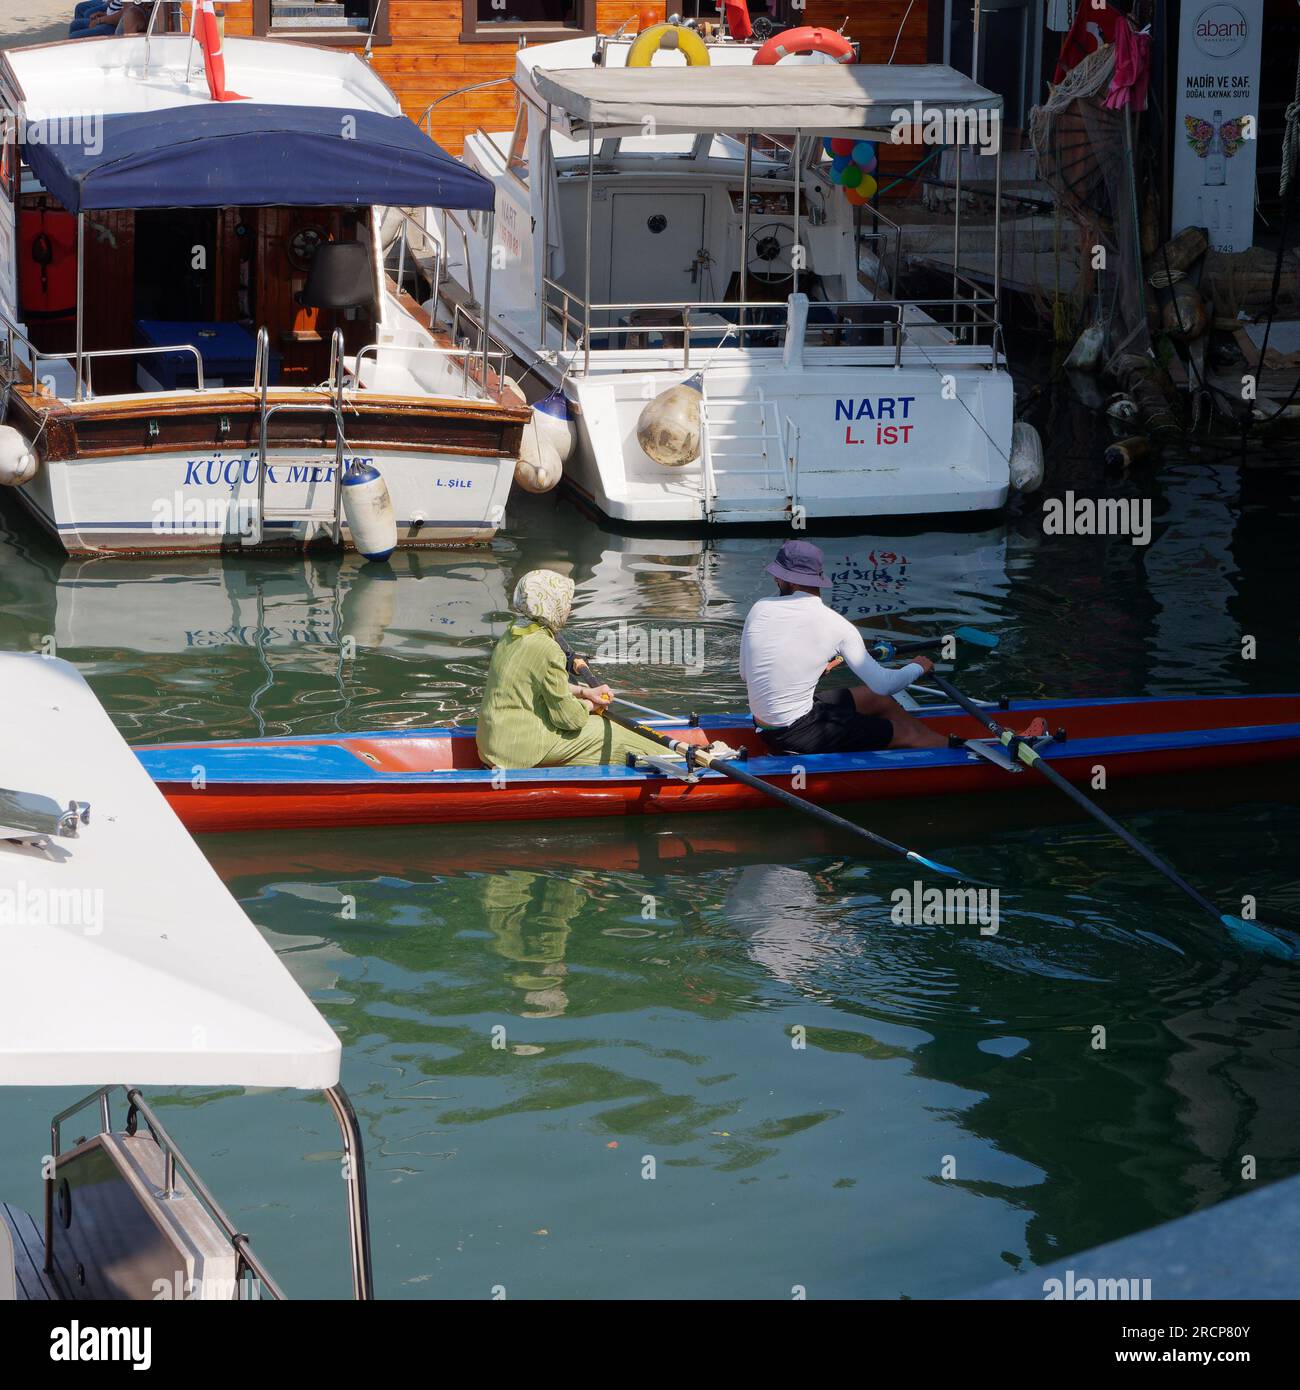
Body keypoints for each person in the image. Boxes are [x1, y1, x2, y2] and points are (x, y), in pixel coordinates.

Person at [740, 540, 1045, 756]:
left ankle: (937, 741)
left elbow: (747, 673)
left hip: (767, 724)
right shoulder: (835, 624)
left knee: (875, 700)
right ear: (818, 579)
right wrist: (918, 667)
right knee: (898, 720)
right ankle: (959, 751)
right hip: (797, 733)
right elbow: (886, 684)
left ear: (781, 579)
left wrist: (812, 664)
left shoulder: (759, 608)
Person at [476, 570, 679, 770]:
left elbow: (533, 682)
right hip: (518, 750)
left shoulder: (512, 633)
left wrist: (585, 692)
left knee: (593, 721)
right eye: (565, 601)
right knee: (606, 730)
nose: (569, 608)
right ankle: (681, 761)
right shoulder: (548, 648)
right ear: (551, 604)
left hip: (491, 743)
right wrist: (592, 705)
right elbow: (568, 719)